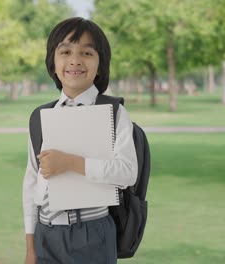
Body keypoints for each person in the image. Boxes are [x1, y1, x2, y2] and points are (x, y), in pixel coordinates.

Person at [23, 17, 138, 264]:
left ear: (101, 64)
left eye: (87, 52)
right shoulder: (40, 117)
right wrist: (30, 244)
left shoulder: (113, 112)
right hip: (46, 234)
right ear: (53, 63)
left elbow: (128, 173)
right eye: (65, 51)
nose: (75, 60)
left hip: (92, 232)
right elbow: (31, 182)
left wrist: (72, 163)